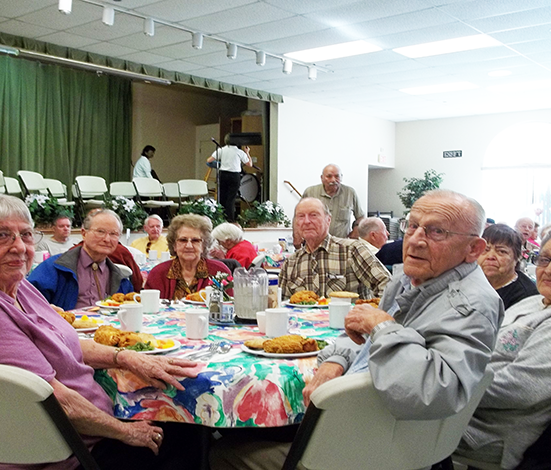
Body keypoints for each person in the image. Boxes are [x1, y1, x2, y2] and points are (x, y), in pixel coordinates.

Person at [211, 189, 504, 469]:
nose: (415, 240)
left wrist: (382, 326)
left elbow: (434, 391)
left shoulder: (471, 304)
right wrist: (336, 362)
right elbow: (363, 340)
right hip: (361, 420)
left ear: (473, 249)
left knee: (215, 447)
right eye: (412, 226)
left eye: (436, 231)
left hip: (378, 446)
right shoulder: (413, 281)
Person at [0, 194, 201, 470]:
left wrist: (126, 357)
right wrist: (125, 431)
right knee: (191, 435)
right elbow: (55, 400)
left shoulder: (16, 286)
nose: (19, 247)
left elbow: (62, 341)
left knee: (180, 424)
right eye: (1, 236)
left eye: (25, 235)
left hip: (75, 435)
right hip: (59, 452)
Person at [456, 226, 551, 469]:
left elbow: (520, 389)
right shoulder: (534, 302)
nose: (550, 269)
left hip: (487, 434)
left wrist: (447, 388)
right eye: (544, 259)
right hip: (467, 411)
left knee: (385, 424)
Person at [278, 198, 390, 300]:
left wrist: (374, 314)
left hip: (346, 321)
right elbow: (280, 304)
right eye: (301, 216)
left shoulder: (351, 250)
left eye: (314, 215)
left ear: (328, 220)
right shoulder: (291, 263)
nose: (307, 221)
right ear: (296, 223)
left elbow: (387, 285)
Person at [29, 209, 136, 310]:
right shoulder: (55, 267)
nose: (107, 239)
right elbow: (26, 301)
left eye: (113, 234)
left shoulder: (119, 279)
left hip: (109, 328)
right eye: (100, 232)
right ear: (84, 233)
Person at [146, 214, 233, 300]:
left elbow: (229, 306)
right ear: (174, 245)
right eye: (183, 240)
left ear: (204, 245)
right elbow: (148, 308)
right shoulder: (158, 274)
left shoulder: (219, 271)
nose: (189, 246)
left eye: (195, 240)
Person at [478, 224, 538, 310]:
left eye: (501, 251)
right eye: (485, 250)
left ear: (517, 257)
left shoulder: (526, 298)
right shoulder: (470, 282)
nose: (490, 256)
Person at [302, 164, 364, 238]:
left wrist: (356, 230)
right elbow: (299, 216)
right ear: (322, 178)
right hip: (315, 242)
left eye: (337, 176)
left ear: (341, 178)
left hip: (341, 243)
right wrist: (297, 236)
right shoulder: (310, 192)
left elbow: (361, 217)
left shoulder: (350, 193)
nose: (333, 180)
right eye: (329, 176)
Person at [206, 134, 253, 222]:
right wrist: (247, 153)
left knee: (222, 196)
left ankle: (221, 218)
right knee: (231, 198)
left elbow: (209, 160)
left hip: (223, 174)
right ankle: (230, 219)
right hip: (234, 176)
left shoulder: (221, 150)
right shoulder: (239, 152)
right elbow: (249, 164)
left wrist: (220, 161)